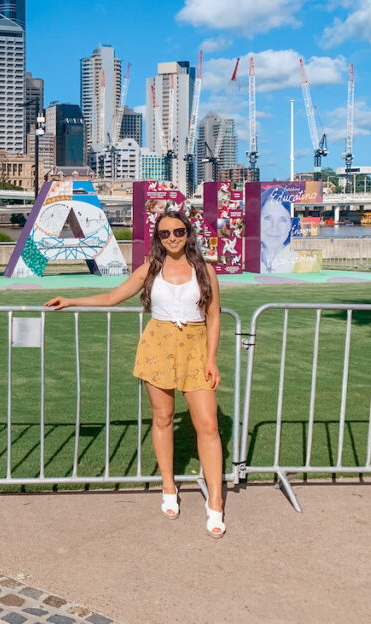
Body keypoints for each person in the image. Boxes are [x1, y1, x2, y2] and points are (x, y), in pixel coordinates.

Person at [44, 210, 226, 538]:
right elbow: (113, 296)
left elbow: (213, 316)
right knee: (163, 419)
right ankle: (168, 486)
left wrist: (212, 359)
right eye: (165, 233)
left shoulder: (204, 270)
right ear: (158, 238)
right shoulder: (150, 270)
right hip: (157, 345)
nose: (173, 237)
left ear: (188, 233)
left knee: (208, 425)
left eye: (179, 231)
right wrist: (71, 300)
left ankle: (216, 503)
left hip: (196, 349)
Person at [259, 186, 298, 273]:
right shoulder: (251, 261)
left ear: (290, 224)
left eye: (282, 220)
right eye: (267, 218)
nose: (274, 227)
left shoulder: (306, 265)